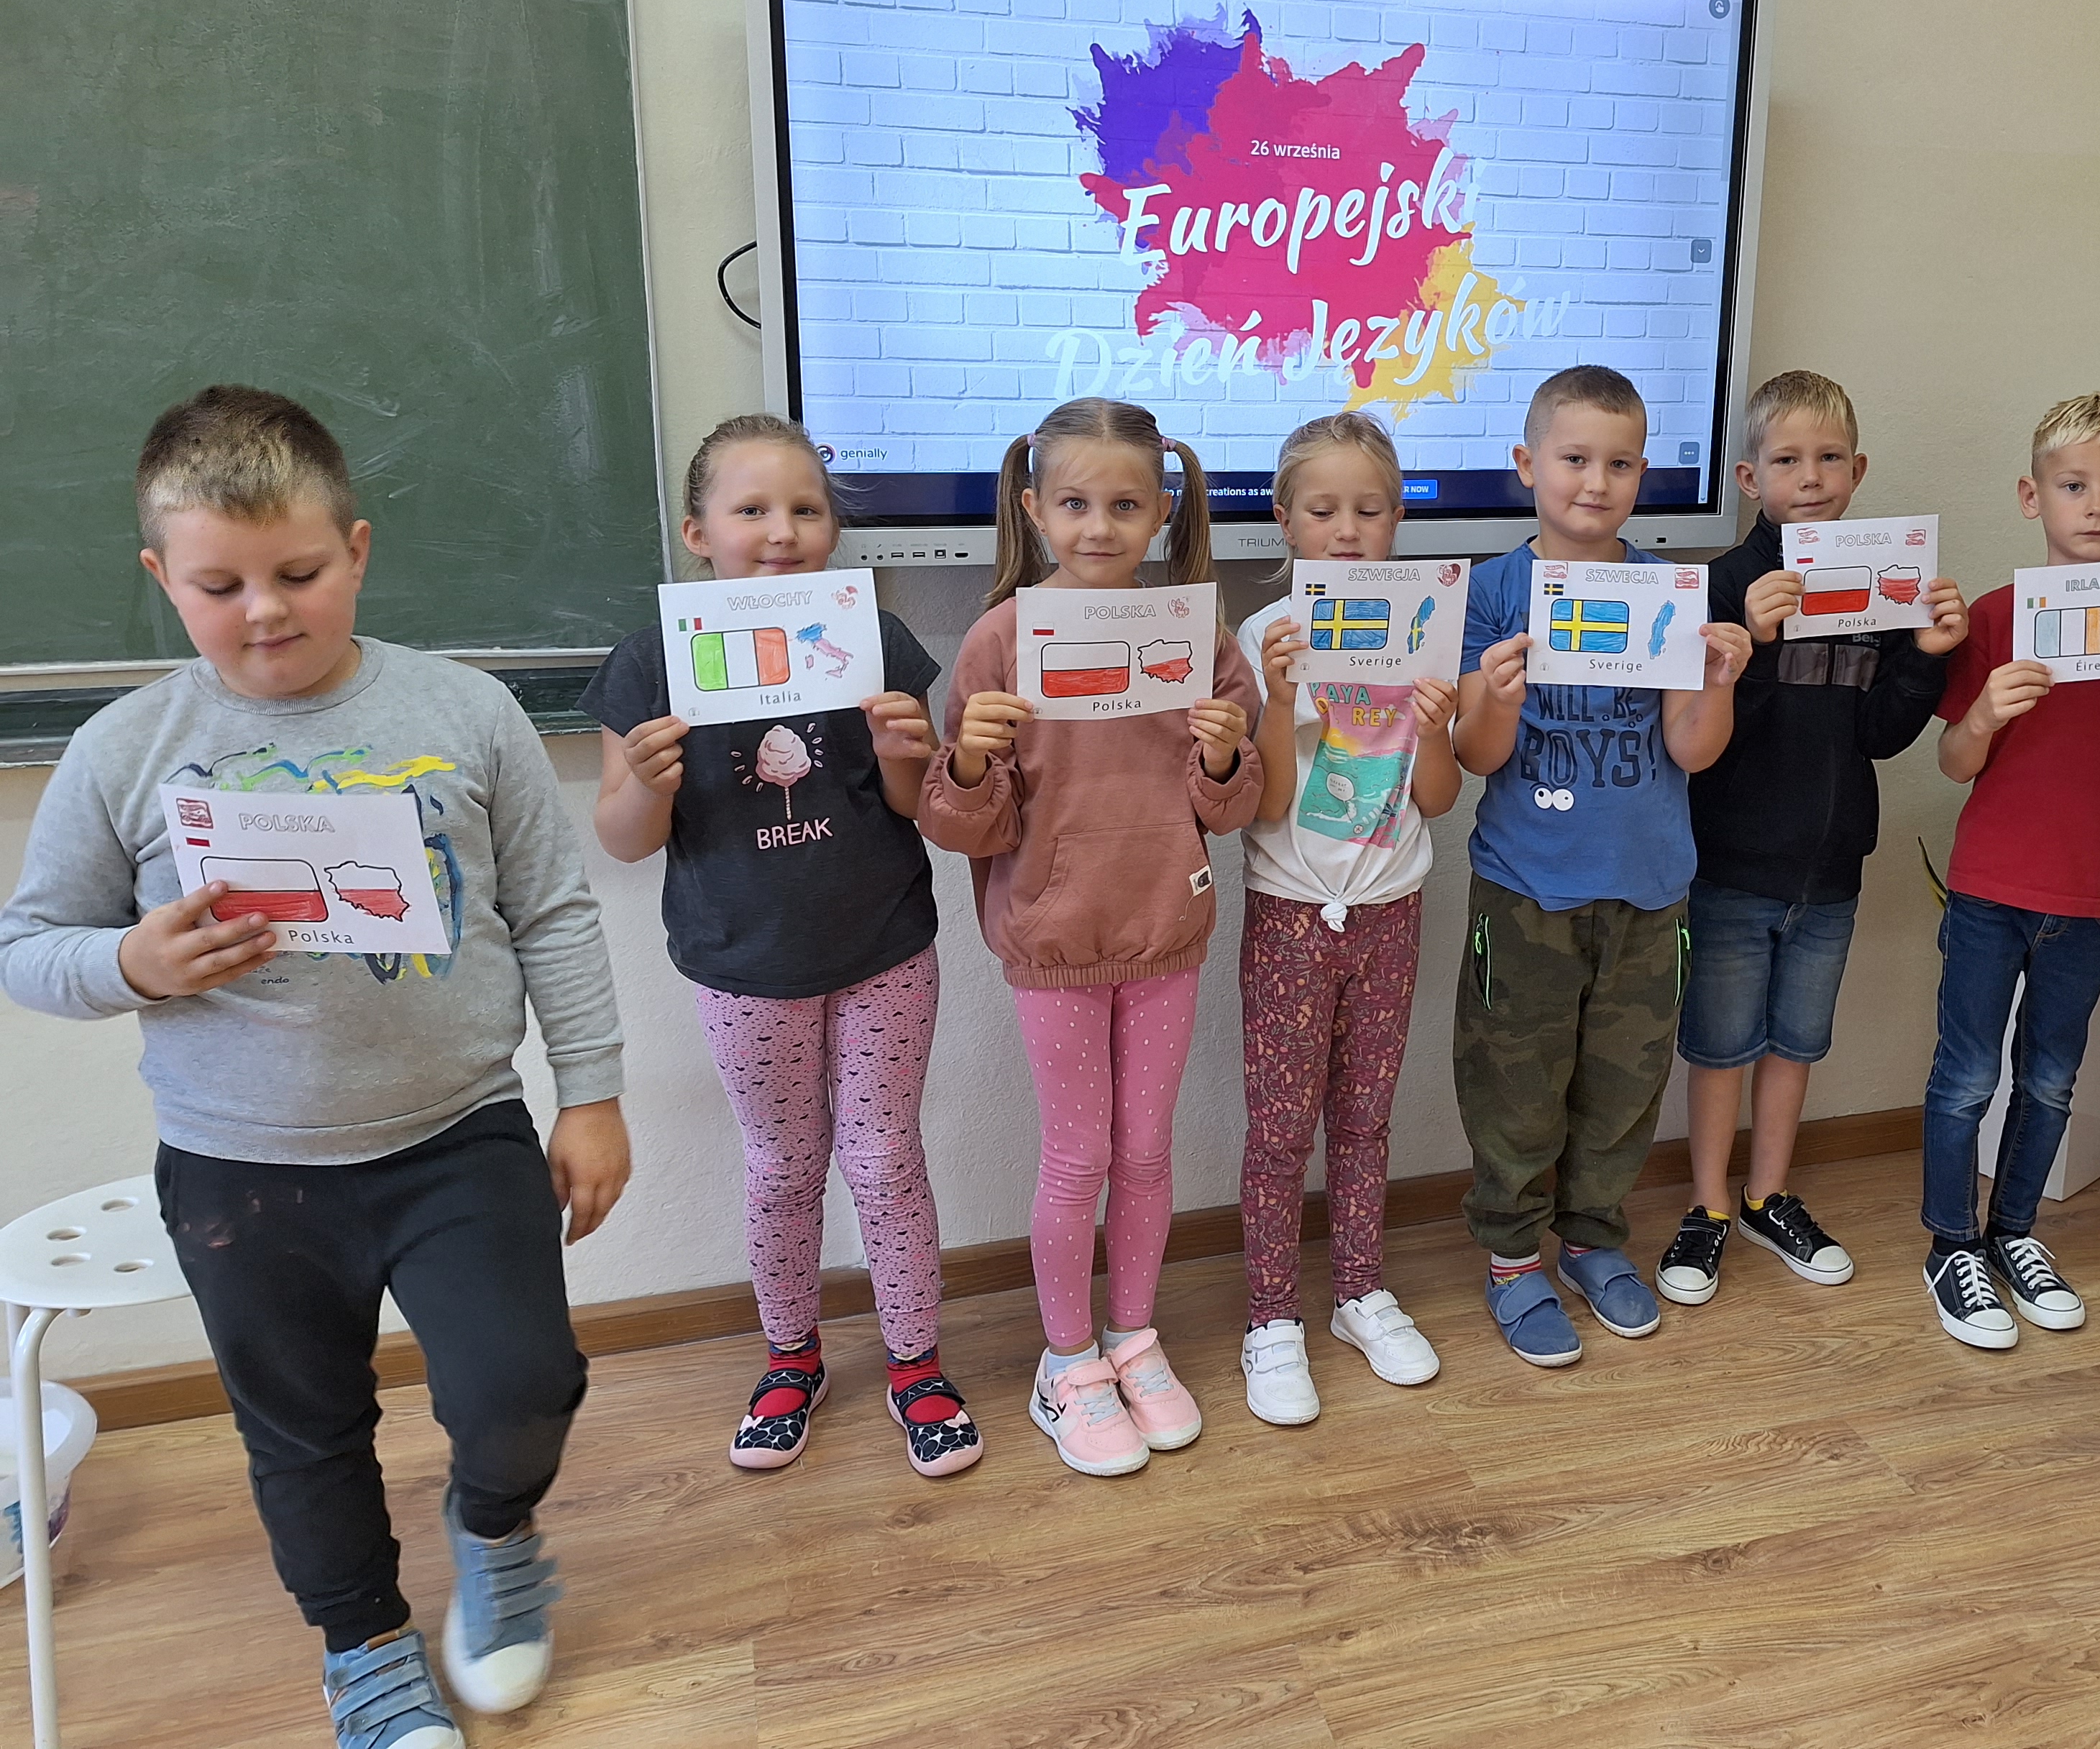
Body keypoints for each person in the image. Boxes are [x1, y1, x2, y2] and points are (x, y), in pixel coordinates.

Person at [0, 387, 629, 1749]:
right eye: (219, 585)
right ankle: (365, 1649)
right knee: (304, 1431)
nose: (265, 611)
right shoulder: (125, 751)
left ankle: (496, 1531)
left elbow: (554, 913)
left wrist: (591, 1093)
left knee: (521, 1388)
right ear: (163, 578)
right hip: (242, 1167)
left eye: (297, 573)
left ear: (355, 549)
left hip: (460, 1134)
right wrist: (133, 963)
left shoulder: (465, 711)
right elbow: (29, 948)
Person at [584, 415, 977, 1479]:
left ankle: (917, 1365)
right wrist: (645, 784)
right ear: (698, 532)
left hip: (885, 947)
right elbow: (623, 839)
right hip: (743, 966)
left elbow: (916, 803)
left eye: (806, 509)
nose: (781, 531)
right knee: (782, 1166)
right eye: (751, 509)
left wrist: (908, 750)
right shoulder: (650, 663)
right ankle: (791, 1359)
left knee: (886, 1159)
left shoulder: (873, 641)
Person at [918, 398, 1260, 1477]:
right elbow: (961, 824)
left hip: (1165, 927)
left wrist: (1222, 753)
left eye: (1125, 505)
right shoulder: (1000, 638)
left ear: (1161, 511)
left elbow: (1232, 807)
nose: (1100, 526)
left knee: (1147, 1152)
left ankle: (1133, 1339)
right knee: (1079, 1156)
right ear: (1034, 509)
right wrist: (969, 758)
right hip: (1056, 941)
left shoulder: (1194, 635)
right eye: (1074, 504)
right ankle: (1066, 1362)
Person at [1451, 364, 1751, 1364]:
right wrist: (1495, 697)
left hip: (1650, 890)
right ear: (1526, 464)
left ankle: (1590, 1239)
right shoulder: (1492, 591)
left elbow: (1693, 751)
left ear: (1643, 475)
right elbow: (1475, 756)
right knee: (1514, 1086)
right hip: (1525, 890)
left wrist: (1719, 679)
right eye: (1575, 458)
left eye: (1620, 464)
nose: (1596, 481)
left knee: (1625, 1086)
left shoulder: (1669, 590)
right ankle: (1511, 1260)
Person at [1654, 370, 1965, 1307]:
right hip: (1731, 865)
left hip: (1831, 871)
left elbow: (1879, 734)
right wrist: (1750, 643)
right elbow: (1702, 745)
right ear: (1751, 478)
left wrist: (1928, 658)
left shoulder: (1884, 583)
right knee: (1720, 1047)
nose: (1813, 477)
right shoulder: (1723, 583)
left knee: (1796, 1043)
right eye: (1788, 460)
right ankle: (1708, 1205)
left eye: (1831, 458)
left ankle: (1766, 1195)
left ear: (1858, 471)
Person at [1922, 393, 2100, 1351]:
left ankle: (2014, 1233)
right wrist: (1985, 713)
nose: (2096, 505)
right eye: (2075, 485)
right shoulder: (1996, 618)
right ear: (2032, 496)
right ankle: (1951, 1245)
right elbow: (1954, 763)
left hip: (2091, 897)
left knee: (2050, 1079)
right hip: (1989, 890)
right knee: (1966, 1076)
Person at [1233, 413, 1460, 1425]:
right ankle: (1272, 1317)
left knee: (1366, 1120)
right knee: (1281, 1130)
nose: (1348, 530)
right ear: (1285, 521)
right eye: (1323, 511)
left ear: (1398, 517)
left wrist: (1438, 727)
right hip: (1290, 913)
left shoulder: (1426, 631)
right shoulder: (1263, 636)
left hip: (1391, 909)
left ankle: (1360, 1291)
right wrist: (1279, 702)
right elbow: (1264, 806)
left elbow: (1439, 797)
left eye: (1370, 510)